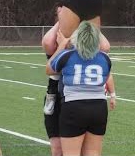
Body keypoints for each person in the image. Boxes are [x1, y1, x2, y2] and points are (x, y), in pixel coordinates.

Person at [46, 21, 116, 156]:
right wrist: (113, 95)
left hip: (74, 106)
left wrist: (61, 45)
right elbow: (107, 76)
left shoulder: (67, 56)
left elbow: (49, 69)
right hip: (99, 107)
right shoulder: (105, 58)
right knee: (93, 153)